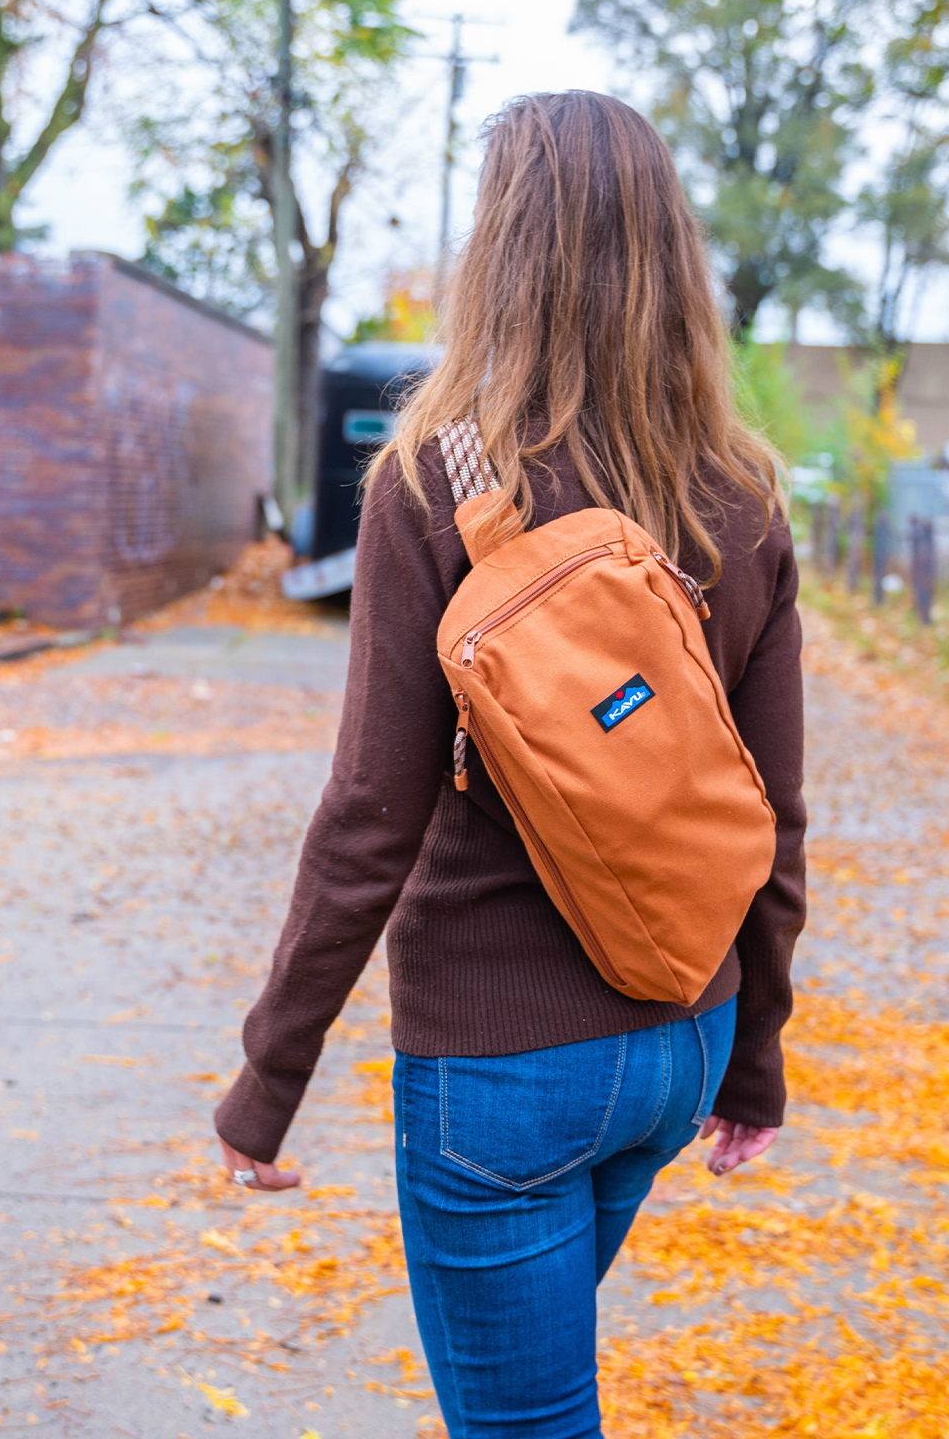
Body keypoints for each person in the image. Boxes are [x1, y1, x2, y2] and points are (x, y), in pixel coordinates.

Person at [214, 89, 808, 1437]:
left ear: (503, 253)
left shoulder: (434, 482)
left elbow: (370, 814)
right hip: (680, 1037)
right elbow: (769, 814)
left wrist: (271, 1078)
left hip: (502, 1069)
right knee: (536, 1400)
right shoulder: (744, 492)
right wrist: (754, 1057)